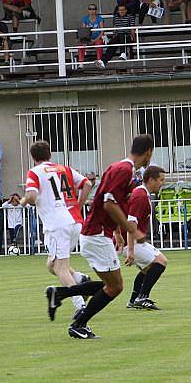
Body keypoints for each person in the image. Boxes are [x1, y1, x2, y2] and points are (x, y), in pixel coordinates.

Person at [46, 134, 154, 339]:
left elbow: (105, 199)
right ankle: (78, 323)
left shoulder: (118, 167)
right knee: (115, 286)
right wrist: (132, 231)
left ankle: (61, 294)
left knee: (111, 285)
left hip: (97, 233)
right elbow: (108, 204)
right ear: (148, 152)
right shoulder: (124, 170)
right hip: (96, 234)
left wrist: (117, 233)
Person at [21, 140, 93, 317]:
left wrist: (24, 201)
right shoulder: (64, 169)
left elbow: (31, 196)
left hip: (56, 224)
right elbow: (88, 184)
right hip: (74, 220)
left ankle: (80, 305)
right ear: (50, 154)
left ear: (32, 157)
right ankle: (81, 279)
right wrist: (78, 204)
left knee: (60, 266)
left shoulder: (34, 172)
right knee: (52, 264)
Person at [124, 165, 168, 310]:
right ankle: (142, 298)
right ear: (150, 180)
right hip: (129, 242)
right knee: (161, 262)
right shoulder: (140, 196)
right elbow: (131, 223)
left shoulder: (143, 194)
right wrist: (130, 250)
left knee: (148, 269)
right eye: (161, 180)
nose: (163, 183)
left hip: (134, 241)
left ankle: (133, 300)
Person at [96, 4, 136, 69]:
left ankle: (123, 53)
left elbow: (132, 29)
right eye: (120, 10)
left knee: (122, 34)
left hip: (127, 36)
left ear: (126, 10)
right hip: (118, 37)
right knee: (111, 44)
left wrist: (134, 39)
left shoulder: (130, 17)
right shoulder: (116, 17)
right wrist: (113, 38)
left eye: (123, 10)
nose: (121, 11)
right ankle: (103, 61)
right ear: (118, 11)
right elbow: (115, 28)